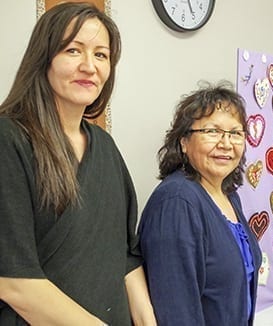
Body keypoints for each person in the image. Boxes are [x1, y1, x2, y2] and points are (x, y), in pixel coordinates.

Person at [0, 3, 156, 325]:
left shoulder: (105, 148)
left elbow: (126, 256)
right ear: (43, 58)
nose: (89, 66)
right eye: (73, 50)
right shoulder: (9, 138)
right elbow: (13, 279)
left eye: (101, 55)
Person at [139, 81, 262, 325]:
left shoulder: (228, 195)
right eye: (212, 131)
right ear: (184, 142)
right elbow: (176, 313)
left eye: (235, 133)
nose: (226, 143)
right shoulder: (177, 202)